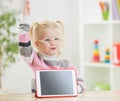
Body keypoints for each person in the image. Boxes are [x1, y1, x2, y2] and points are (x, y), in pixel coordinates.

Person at [18, 0, 85, 93]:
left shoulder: (66, 65)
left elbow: (81, 83)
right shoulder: (34, 59)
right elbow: (24, 44)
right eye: (47, 40)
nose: (53, 43)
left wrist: (76, 88)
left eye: (56, 39)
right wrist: (25, 19)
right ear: (37, 44)